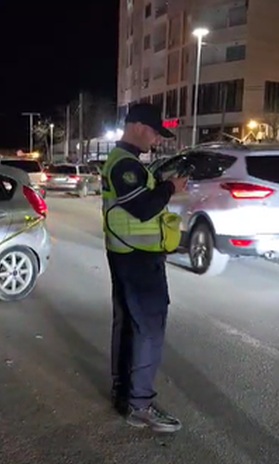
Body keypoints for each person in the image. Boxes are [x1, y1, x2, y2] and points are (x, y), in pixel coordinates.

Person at [102, 103, 188, 433]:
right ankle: (140, 405)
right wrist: (170, 189)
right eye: (154, 132)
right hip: (136, 258)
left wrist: (161, 184)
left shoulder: (127, 163)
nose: (156, 140)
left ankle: (124, 394)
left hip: (125, 254)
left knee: (127, 326)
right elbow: (141, 208)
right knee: (148, 329)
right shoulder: (125, 165)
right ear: (137, 126)